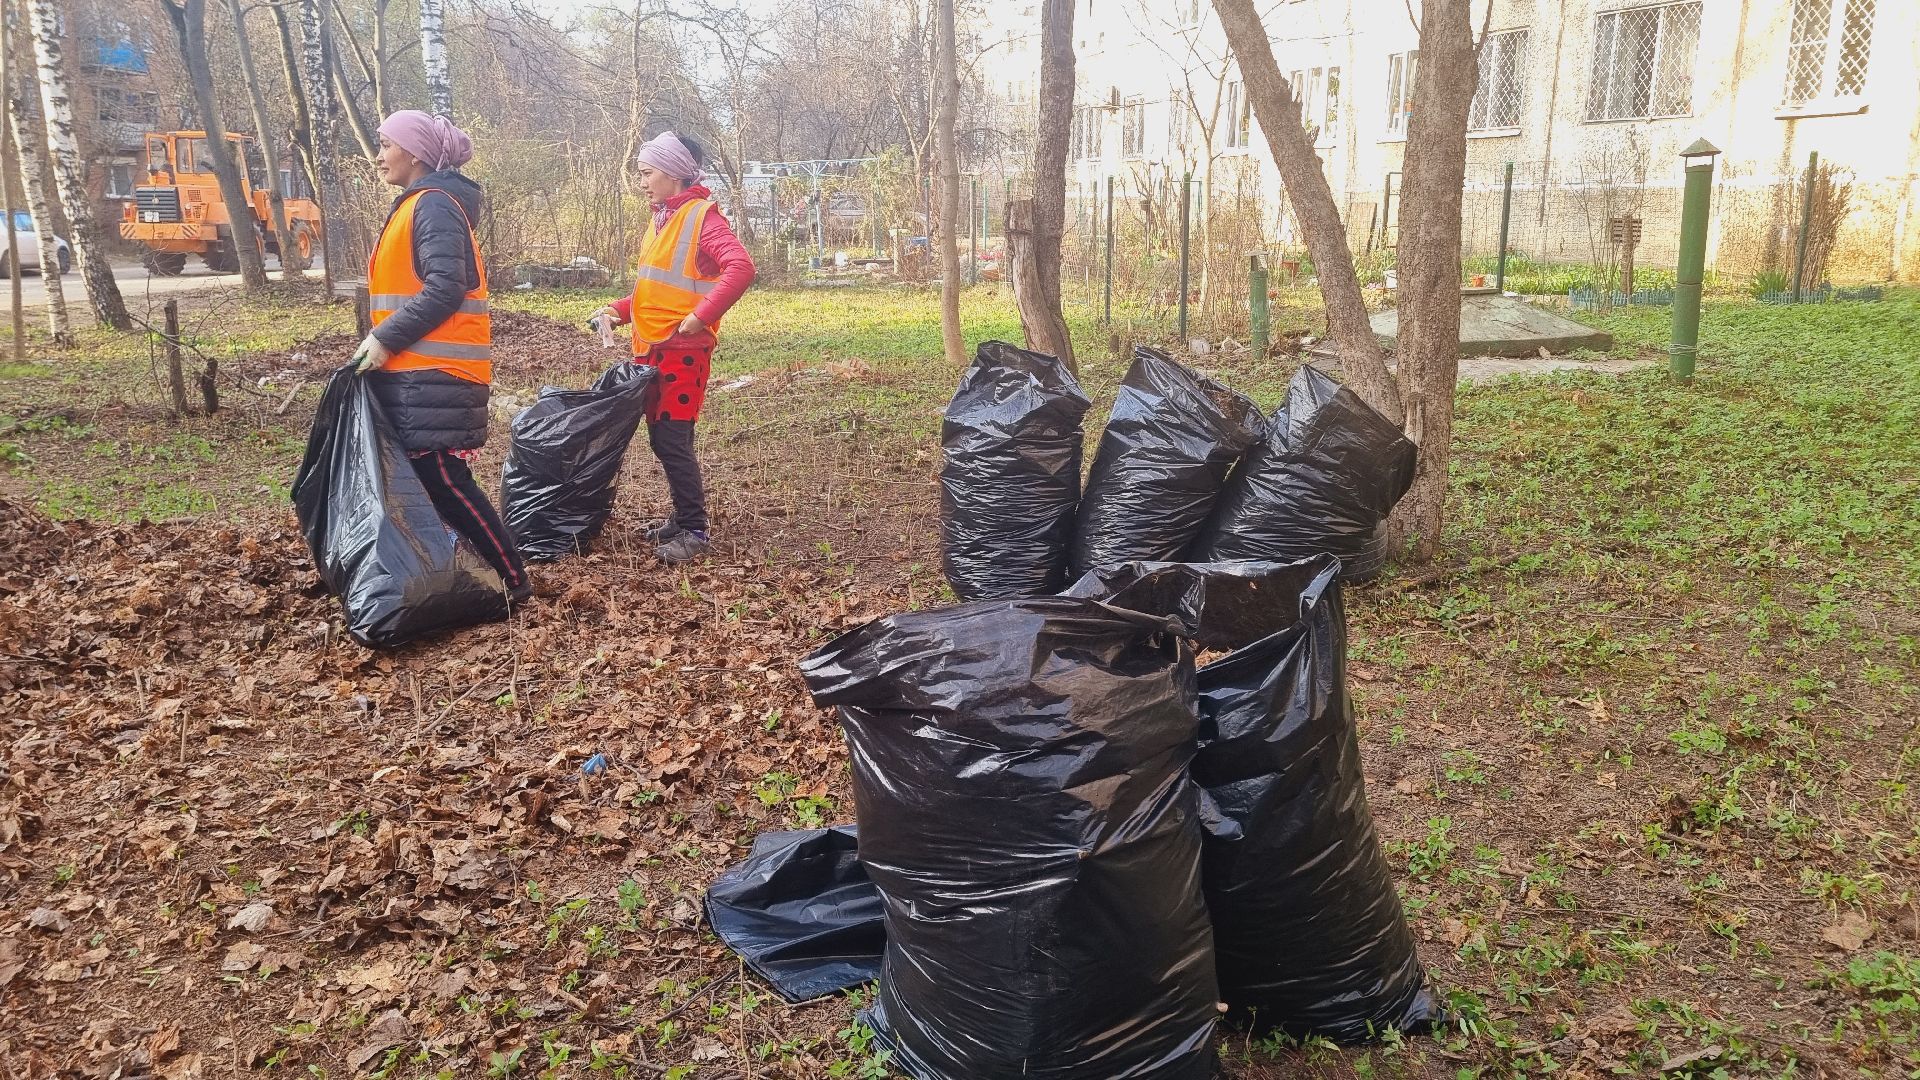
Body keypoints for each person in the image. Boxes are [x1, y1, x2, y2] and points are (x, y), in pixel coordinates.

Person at [352, 109, 530, 602]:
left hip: (438, 370)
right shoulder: (417, 204)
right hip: (415, 369)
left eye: (386, 144)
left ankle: (512, 579)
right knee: (427, 476)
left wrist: (386, 338)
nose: (379, 154)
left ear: (415, 153)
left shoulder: (433, 205)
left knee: (442, 476)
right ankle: (460, 570)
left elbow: (446, 287)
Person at [589, 131, 756, 565]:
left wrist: (700, 316)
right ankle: (682, 520)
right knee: (665, 439)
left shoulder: (703, 218)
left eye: (647, 173)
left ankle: (695, 528)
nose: (641, 181)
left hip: (683, 350)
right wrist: (618, 310)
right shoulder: (661, 219)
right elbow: (655, 290)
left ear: (675, 172)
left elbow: (740, 267)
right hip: (653, 346)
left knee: (672, 438)